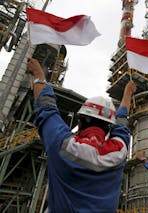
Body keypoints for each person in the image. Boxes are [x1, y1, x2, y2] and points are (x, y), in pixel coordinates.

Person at [27, 58, 136, 212]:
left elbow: (45, 107)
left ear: (81, 122)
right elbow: (122, 123)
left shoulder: (63, 144)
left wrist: (38, 73)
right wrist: (128, 93)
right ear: (108, 127)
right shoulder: (119, 151)